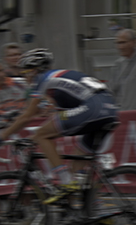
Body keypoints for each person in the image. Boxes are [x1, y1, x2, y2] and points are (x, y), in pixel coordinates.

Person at [0, 48, 119, 204]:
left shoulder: (43, 79)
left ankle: (65, 181)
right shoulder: (60, 78)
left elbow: (27, 116)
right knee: (76, 169)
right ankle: (93, 210)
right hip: (110, 111)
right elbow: (55, 114)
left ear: (34, 71)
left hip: (94, 109)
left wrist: (3, 135)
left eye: (26, 73)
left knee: (43, 135)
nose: (25, 78)